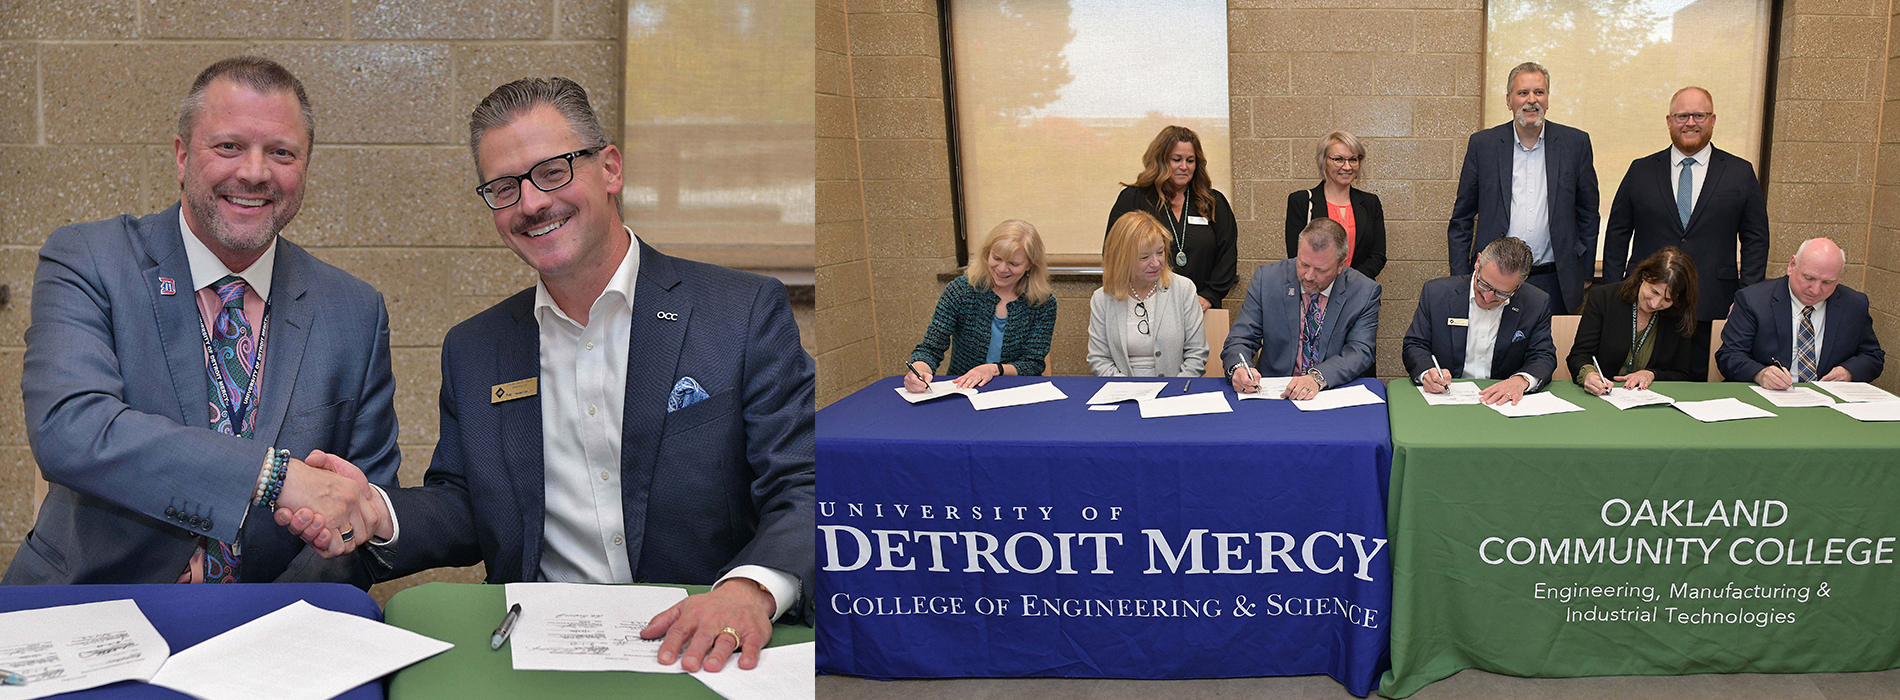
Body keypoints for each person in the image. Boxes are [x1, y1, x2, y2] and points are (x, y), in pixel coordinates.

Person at [279, 77, 814, 674]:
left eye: (553, 171)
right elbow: (466, 505)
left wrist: (749, 589)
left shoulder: (740, 314)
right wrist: (377, 512)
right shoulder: (476, 348)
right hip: (542, 651)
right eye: (504, 188)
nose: (531, 203)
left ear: (609, 169)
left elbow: (804, 484)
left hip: (704, 646)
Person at [4, 56, 394, 586]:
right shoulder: (89, 260)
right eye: (229, 146)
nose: (255, 172)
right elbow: (71, 429)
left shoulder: (354, 309)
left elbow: (362, 499)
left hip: (276, 628)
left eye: (281, 152)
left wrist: (271, 615)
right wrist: (273, 476)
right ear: (182, 156)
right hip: (96, 603)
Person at [1602, 86, 1768, 364]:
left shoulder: (1740, 172)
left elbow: (1756, 240)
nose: (1690, 122)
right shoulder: (1640, 170)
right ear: (1669, 121)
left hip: (1712, 302)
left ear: (1713, 120)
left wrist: (1746, 299)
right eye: (1682, 116)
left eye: (1699, 115)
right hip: (1647, 304)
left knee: (1702, 387)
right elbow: (1617, 234)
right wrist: (1615, 292)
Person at [1447, 61, 1599, 313]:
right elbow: (1462, 217)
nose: (1532, 100)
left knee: (1550, 350)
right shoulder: (1483, 145)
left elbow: (1588, 213)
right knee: (1496, 350)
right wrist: (1461, 276)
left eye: (1539, 92)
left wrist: (1585, 270)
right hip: (1494, 281)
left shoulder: (1575, 143)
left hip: (1556, 279)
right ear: (1509, 101)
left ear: (1547, 99)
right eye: (1523, 93)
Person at [1222, 218, 1380, 400]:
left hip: (1330, 392)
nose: (1309, 276)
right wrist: (1238, 368)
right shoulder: (1267, 279)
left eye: (1321, 270)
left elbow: (1360, 351)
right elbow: (1241, 338)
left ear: (1340, 266)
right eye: (1304, 264)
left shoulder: (1364, 292)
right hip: (1274, 393)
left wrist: (1317, 378)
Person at [1403, 237, 1557, 406]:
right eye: (1483, 284)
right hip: (1447, 398)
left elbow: (1543, 356)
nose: (1487, 297)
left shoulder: (1535, 302)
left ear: (1519, 285)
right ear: (1478, 263)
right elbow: (1415, 345)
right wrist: (1427, 372)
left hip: (1503, 402)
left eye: (1501, 293)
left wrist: (1520, 380)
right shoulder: (1437, 293)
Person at [906, 220, 1058, 390]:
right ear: (987, 254)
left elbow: (1033, 364)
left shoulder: (1043, 303)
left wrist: (994, 370)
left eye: (1013, 264)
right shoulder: (961, 290)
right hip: (964, 389)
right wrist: (919, 371)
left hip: (1016, 391)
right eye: (996, 258)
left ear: (1029, 265)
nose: (1001, 269)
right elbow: (931, 347)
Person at [1717, 237, 1884, 387]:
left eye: (1827, 282)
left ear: (1839, 278)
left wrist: (1848, 371)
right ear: (1792, 265)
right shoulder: (1753, 300)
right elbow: (1729, 355)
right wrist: (1759, 374)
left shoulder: (1854, 305)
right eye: (1809, 278)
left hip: (1828, 402)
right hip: (1769, 397)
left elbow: (1873, 356)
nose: (1816, 289)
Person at [1106, 125, 1238, 311]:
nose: (1184, 167)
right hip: (1143, 306)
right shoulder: (1133, 198)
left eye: (1190, 160)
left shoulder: (1213, 202)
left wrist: (1210, 296)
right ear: (1161, 160)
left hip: (1200, 307)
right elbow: (1114, 253)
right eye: (1177, 159)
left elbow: (1227, 255)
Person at [1088, 211, 1208, 377]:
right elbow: (1099, 359)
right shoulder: (1102, 298)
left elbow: (1196, 354)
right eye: (1144, 257)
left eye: (1160, 252)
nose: (1156, 263)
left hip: (1174, 392)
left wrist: (1174, 390)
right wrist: (1127, 390)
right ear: (1122, 259)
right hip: (1123, 393)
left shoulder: (1183, 289)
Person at [1568, 248, 1701, 395]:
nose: (1655, 304)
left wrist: (1652, 374)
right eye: (1654, 291)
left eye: (1667, 299)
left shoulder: (1678, 314)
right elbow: (1579, 356)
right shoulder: (1604, 298)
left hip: (1652, 402)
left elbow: (1682, 374)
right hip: (1605, 396)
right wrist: (1588, 374)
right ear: (1644, 277)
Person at [1284, 131, 1386, 279]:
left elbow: (1378, 255)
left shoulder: (1371, 203)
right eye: (1338, 159)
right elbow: (1296, 255)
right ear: (1324, 161)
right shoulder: (1302, 201)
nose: (1347, 167)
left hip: (1359, 290)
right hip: (1314, 289)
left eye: (1353, 159)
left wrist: (1350, 282)